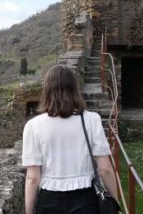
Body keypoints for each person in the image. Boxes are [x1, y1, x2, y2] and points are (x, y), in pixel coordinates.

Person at [22, 65, 118, 214]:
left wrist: (28, 212)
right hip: (85, 200)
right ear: (74, 89)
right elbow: (105, 169)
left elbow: (32, 178)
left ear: (47, 90)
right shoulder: (92, 120)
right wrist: (115, 201)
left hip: (49, 201)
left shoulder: (33, 126)